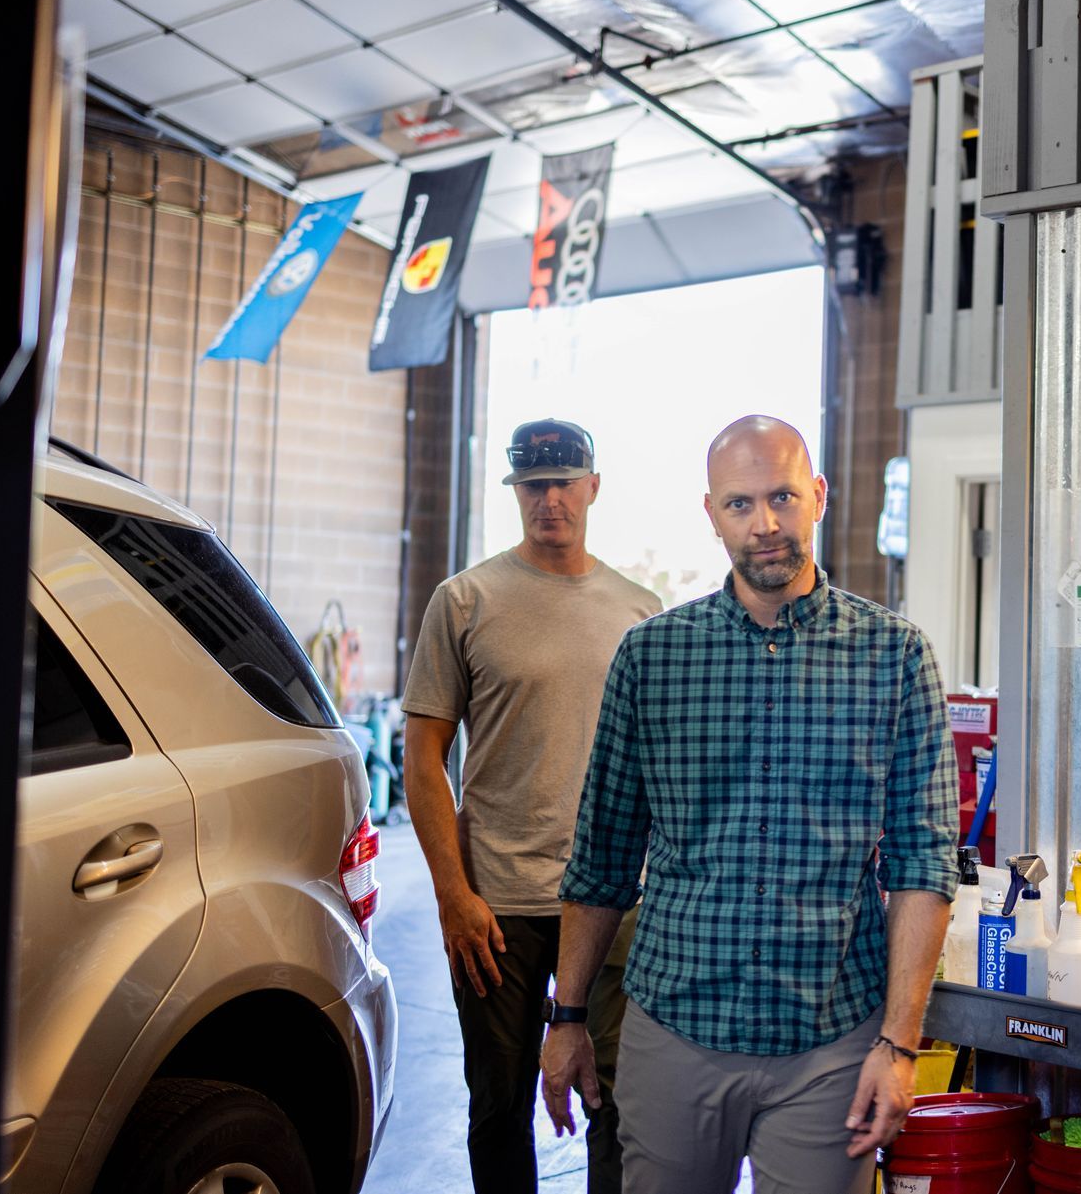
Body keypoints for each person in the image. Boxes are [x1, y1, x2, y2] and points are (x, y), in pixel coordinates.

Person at [538, 414, 958, 1194]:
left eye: (782, 497)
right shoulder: (652, 657)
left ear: (819, 497)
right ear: (710, 513)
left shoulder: (895, 656)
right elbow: (601, 856)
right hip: (675, 1029)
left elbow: (923, 863)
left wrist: (899, 1045)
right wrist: (566, 1019)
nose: (765, 524)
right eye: (740, 504)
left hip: (831, 1041)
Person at [402, 417, 661, 1194]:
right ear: (515, 490)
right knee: (497, 1107)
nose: (551, 499)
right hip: (498, 907)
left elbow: (661, 769)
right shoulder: (465, 600)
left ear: (593, 487)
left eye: (564, 482)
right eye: (534, 485)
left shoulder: (640, 610)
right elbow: (423, 759)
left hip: (616, 900)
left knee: (620, 1103)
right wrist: (454, 896)